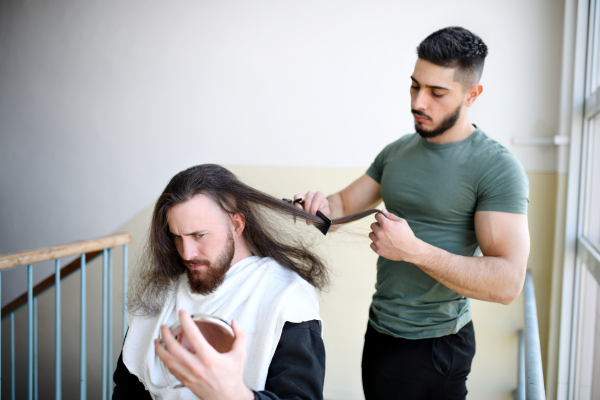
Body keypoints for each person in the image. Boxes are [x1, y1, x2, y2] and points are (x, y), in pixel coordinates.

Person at [294, 26, 530, 400]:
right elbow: (339, 207)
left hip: (439, 345)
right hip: (381, 333)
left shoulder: (496, 167)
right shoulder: (397, 152)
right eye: (415, 86)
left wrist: (412, 250)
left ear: (472, 95)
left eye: (437, 92)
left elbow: (507, 282)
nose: (419, 102)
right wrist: (315, 209)